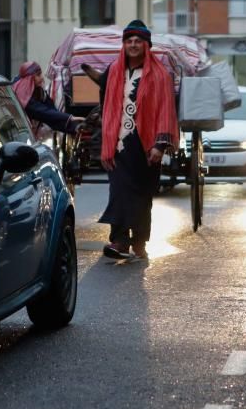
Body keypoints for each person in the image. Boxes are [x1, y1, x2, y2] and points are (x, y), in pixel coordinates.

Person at [97, 21, 178, 260]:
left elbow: (165, 109)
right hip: (118, 143)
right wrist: (106, 143)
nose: (133, 45)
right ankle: (119, 241)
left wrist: (160, 145)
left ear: (146, 46)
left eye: (138, 41)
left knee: (143, 194)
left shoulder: (159, 75)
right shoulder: (114, 71)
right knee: (120, 190)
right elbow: (106, 109)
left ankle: (140, 240)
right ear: (123, 45)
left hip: (147, 145)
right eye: (128, 41)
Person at [12, 61, 84, 137]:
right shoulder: (23, 96)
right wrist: (70, 118)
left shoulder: (40, 92)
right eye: (38, 75)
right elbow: (44, 112)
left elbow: (51, 111)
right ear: (29, 78)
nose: (41, 77)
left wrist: (74, 125)